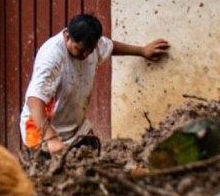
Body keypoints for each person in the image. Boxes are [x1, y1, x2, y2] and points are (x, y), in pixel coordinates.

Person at [20, 13, 169, 156]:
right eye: (80, 49)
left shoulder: (93, 45)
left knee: (89, 170)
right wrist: (51, 138)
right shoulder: (51, 59)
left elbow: (110, 46)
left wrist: (142, 51)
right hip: (42, 132)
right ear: (67, 37)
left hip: (75, 128)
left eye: (89, 51)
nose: (85, 55)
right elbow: (34, 101)